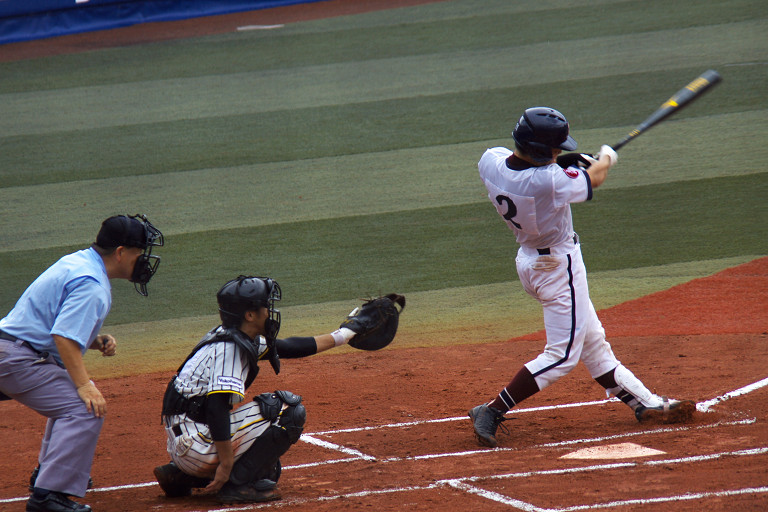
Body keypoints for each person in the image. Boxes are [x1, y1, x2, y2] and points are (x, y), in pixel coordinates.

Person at [469, 107, 695, 448]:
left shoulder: (490, 160)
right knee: (561, 356)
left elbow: (534, 168)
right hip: (559, 270)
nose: (560, 153)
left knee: (593, 343)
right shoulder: (548, 181)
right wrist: (605, 157)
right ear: (544, 151)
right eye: (556, 148)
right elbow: (595, 178)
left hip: (529, 263)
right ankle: (490, 410)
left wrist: (565, 161)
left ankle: (644, 404)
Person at [0, 214, 164, 512]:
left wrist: (93, 340)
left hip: (12, 350)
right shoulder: (91, 284)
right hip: (16, 357)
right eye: (140, 254)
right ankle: (48, 495)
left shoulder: (79, 262)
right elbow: (63, 338)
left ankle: (48, 475)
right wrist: (85, 385)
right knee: (84, 407)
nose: (144, 261)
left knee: (72, 399)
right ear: (120, 253)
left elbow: (53, 322)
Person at [153, 275, 363, 504]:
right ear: (250, 315)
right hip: (196, 446)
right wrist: (225, 464)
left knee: (268, 468)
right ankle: (237, 486)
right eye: (266, 305)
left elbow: (289, 346)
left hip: (185, 443)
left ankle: (181, 476)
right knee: (288, 410)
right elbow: (216, 407)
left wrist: (345, 334)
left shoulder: (231, 334)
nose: (269, 311)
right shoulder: (231, 349)